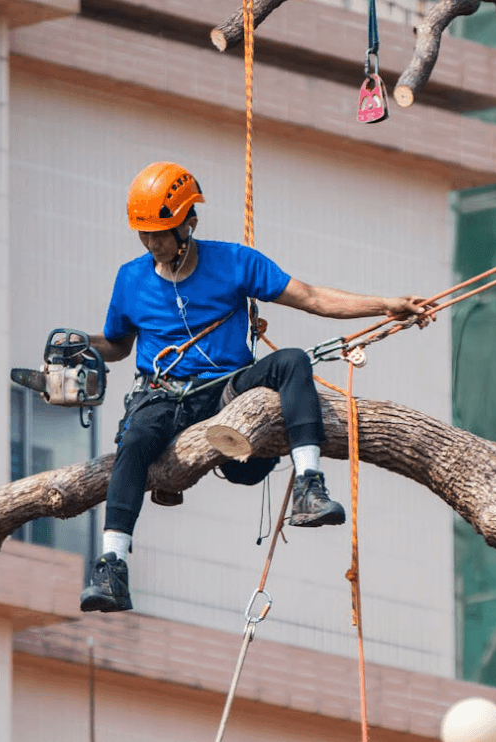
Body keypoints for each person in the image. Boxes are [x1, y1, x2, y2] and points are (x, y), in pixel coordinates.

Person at [77, 161, 432, 613]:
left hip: (227, 390)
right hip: (163, 394)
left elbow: (312, 297)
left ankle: (309, 485)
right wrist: (81, 343)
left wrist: (386, 305)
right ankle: (113, 567)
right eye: (144, 234)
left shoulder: (234, 262)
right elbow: (119, 346)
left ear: (190, 223)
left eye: (161, 233)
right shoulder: (131, 279)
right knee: (134, 442)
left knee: (292, 362)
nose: (152, 243)